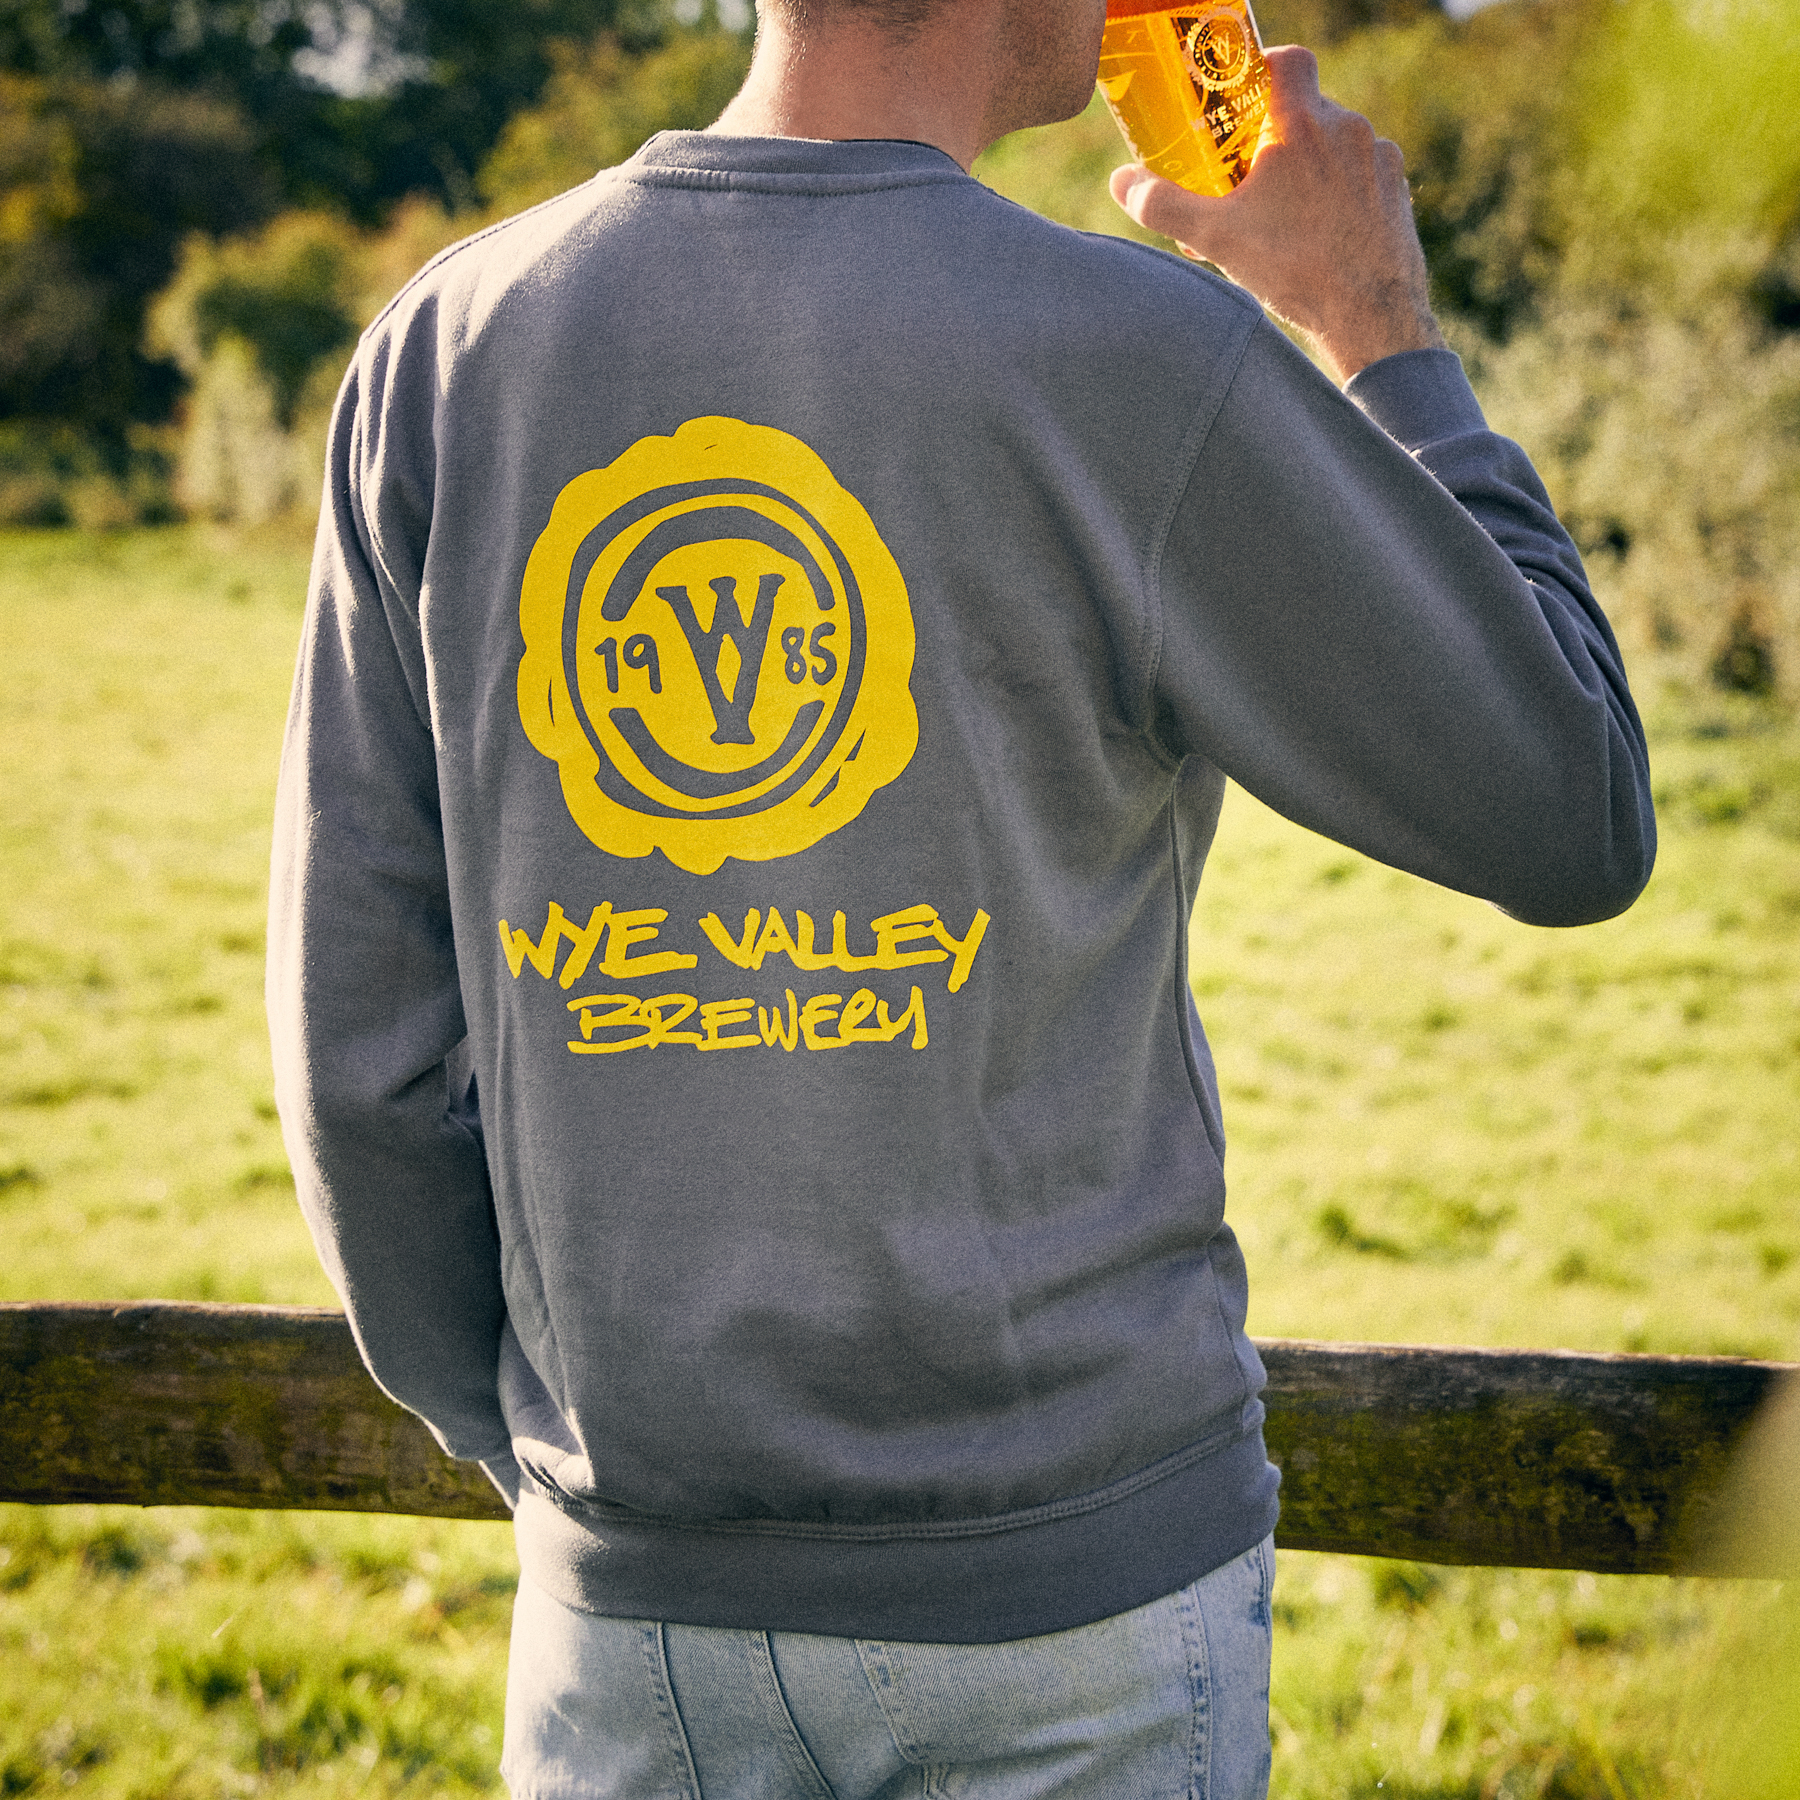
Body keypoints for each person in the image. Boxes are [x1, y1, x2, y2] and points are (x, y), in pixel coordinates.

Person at [266, 0, 1657, 1789]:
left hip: (629, 1613)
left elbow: (363, 1073)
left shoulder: (447, 349)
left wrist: (577, 1470)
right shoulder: (1141, 354)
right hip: (1075, 1615)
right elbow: (1569, 805)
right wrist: (1377, 322)